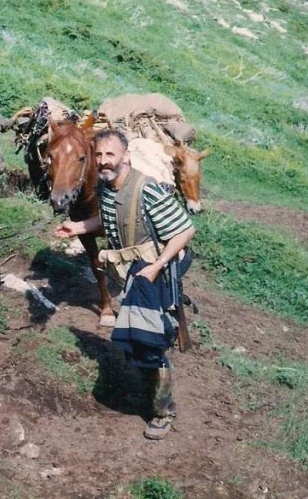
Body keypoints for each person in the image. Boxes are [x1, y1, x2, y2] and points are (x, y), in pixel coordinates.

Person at [54, 128, 196, 440]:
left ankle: (163, 411)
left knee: (151, 339)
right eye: (100, 155)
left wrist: (157, 267)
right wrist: (78, 226)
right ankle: (145, 387)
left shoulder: (147, 190)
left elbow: (184, 230)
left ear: (126, 156)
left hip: (154, 270)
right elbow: (109, 221)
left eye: (111, 155)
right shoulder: (106, 189)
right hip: (133, 269)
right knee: (138, 335)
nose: (104, 161)